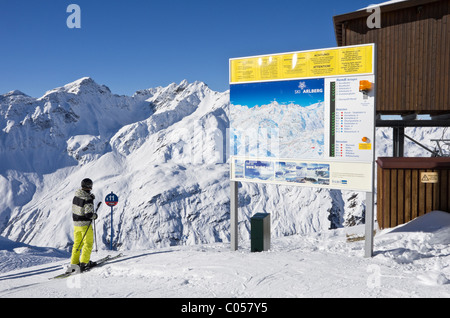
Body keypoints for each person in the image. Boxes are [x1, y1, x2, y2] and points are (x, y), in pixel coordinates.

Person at [69, 178, 98, 272]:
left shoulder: (76, 196)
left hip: (76, 224)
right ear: (90, 186)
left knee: (77, 244)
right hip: (85, 224)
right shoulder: (87, 199)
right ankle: (84, 263)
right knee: (88, 244)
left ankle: (74, 263)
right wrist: (95, 216)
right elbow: (88, 214)